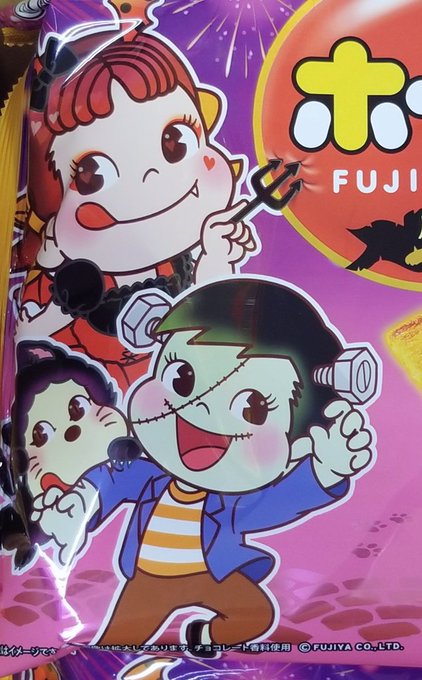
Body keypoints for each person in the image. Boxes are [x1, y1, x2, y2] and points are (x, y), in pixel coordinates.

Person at [33, 279, 377, 649]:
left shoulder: (236, 504)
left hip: (215, 574)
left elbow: (282, 501)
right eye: (181, 378)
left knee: (256, 615)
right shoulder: (149, 477)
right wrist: (78, 505)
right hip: (149, 579)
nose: (201, 409)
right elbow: (113, 480)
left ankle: (201, 637)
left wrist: (325, 471)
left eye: (253, 408)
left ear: (298, 446)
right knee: (118, 637)